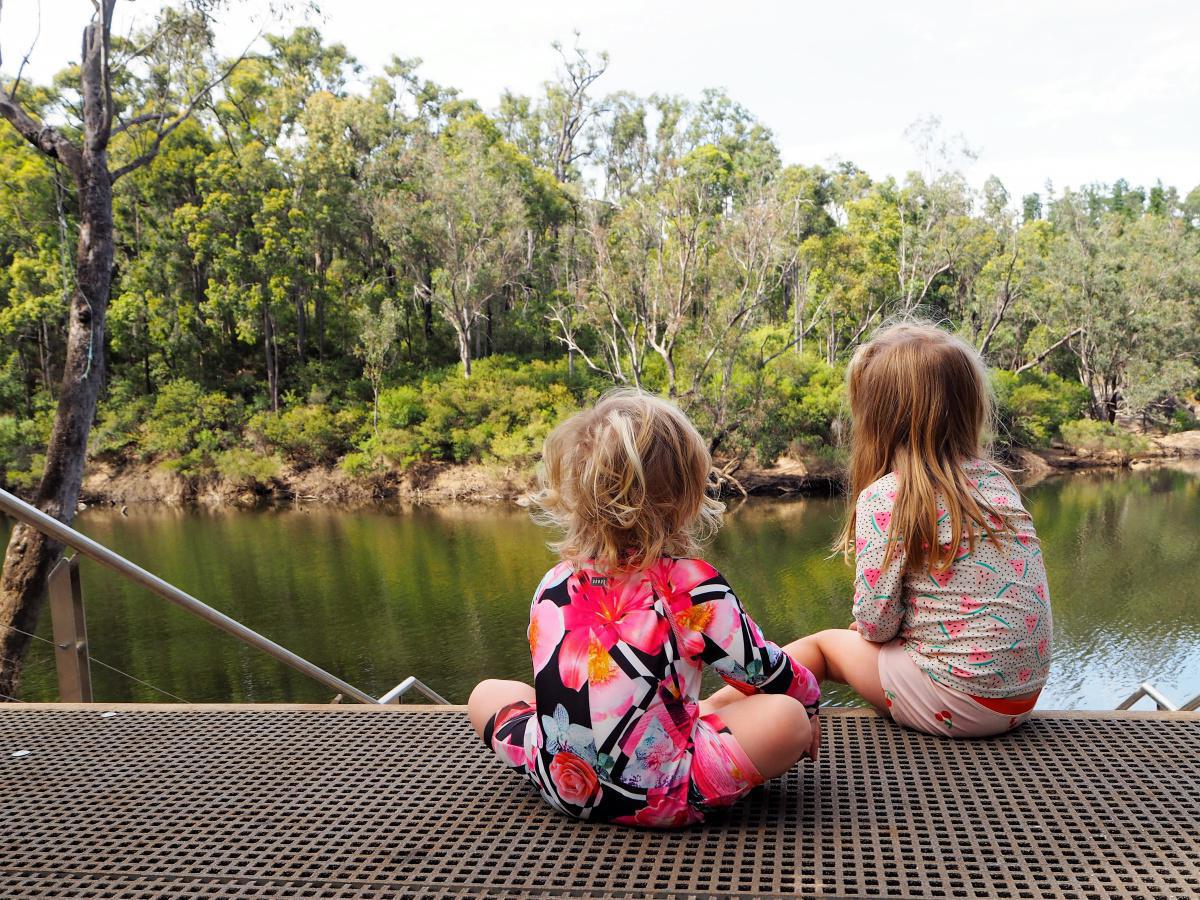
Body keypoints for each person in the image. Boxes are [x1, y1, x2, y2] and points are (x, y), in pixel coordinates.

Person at [468, 389, 821, 827]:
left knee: (486, 695)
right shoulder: (690, 587)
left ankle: (596, 762)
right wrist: (808, 702)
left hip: (562, 782)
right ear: (684, 497)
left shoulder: (554, 582)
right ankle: (687, 744)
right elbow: (760, 670)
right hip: (660, 792)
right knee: (786, 719)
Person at [706, 321, 1052, 737]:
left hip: (958, 701)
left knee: (823, 647)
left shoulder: (889, 497)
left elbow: (876, 624)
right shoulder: (998, 483)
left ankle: (706, 713)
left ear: (878, 421)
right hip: (1022, 698)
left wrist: (871, 630)